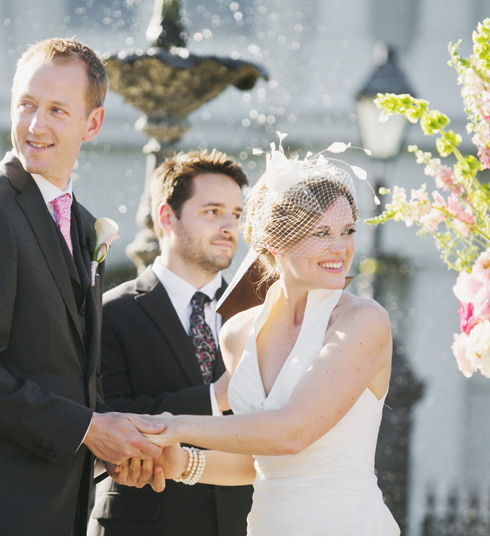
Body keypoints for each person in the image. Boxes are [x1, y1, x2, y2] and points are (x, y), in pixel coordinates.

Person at [0, 38, 163, 536]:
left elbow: (65, 379)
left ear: (91, 124)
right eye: (26, 105)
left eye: (56, 110)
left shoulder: (83, 226)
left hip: (58, 514)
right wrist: (91, 430)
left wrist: (118, 445)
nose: (35, 125)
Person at [119, 139, 401, 535]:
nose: (341, 248)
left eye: (348, 230)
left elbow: (291, 432)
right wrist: (179, 462)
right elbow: (258, 460)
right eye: (321, 233)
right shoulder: (237, 333)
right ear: (274, 242)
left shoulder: (362, 320)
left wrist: (174, 425)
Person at [88, 150, 254, 535]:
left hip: (242, 525)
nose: (229, 226)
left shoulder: (259, 315)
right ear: (166, 217)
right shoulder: (109, 312)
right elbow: (109, 416)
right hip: (142, 525)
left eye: (236, 214)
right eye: (213, 211)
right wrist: (216, 398)